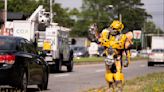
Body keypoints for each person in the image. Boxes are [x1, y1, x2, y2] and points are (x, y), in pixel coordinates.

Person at [89, 20, 133, 91]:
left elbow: (127, 49)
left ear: (119, 30)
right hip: (108, 58)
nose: (113, 30)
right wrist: (94, 32)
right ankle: (110, 87)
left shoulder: (123, 37)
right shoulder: (106, 34)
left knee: (117, 74)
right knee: (109, 74)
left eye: (115, 29)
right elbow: (98, 40)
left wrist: (128, 59)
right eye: (112, 28)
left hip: (117, 58)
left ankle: (119, 87)